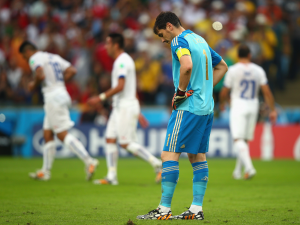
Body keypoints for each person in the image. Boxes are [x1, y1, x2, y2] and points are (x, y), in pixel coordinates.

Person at [137, 12, 228, 220]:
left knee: (168, 155)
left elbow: (186, 66)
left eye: (161, 34)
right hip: (206, 107)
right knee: (197, 156)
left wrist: (180, 93)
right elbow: (222, 66)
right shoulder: (200, 39)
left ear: (169, 26)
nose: (162, 40)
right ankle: (196, 209)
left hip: (188, 107)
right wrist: (204, 88)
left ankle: (164, 209)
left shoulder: (179, 40)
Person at [88, 33, 162, 185]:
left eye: (108, 44)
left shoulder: (122, 62)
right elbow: (130, 87)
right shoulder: (124, 60)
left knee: (125, 143)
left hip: (125, 106)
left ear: (115, 45)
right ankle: (111, 176)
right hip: (121, 106)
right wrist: (138, 111)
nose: (106, 47)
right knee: (110, 138)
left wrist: (100, 97)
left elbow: (121, 87)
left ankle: (158, 165)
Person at [19, 41, 99, 181]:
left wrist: (33, 84)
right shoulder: (53, 57)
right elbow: (72, 70)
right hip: (61, 93)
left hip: (53, 98)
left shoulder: (35, 58)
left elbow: (40, 75)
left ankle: (89, 160)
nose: (26, 61)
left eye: (24, 57)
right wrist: (59, 83)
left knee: (62, 134)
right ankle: (46, 171)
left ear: (27, 52)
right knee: (48, 133)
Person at [219, 44, 277, 180]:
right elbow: (267, 92)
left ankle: (249, 168)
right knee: (244, 140)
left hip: (238, 105)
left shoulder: (233, 70)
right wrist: (272, 110)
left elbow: (224, 91)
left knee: (238, 139)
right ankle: (238, 171)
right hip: (253, 105)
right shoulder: (258, 70)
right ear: (250, 55)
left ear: (237, 56)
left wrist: (222, 103)